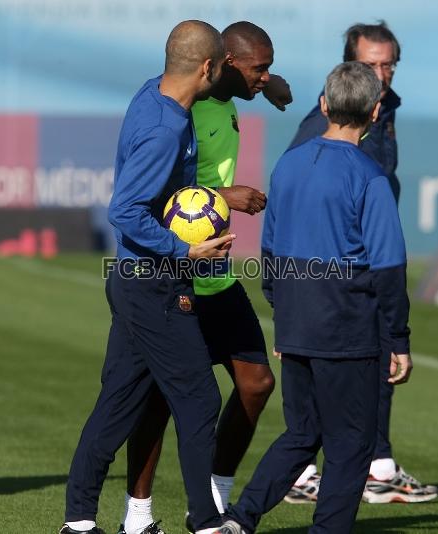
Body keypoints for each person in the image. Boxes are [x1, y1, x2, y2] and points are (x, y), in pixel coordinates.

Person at [216, 60, 412, 534]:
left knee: (303, 434)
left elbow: (271, 250)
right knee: (349, 445)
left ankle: (239, 520)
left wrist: (284, 317)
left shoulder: (289, 164)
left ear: (324, 105)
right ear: (375, 109)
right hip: (347, 326)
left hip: (299, 321)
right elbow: (387, 267)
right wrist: (398, 339)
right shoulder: (369, 177)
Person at [116, 21, 293, 534]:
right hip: (177, 276)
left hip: (216, 274)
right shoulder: (182, 110)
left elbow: (259, 80)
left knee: (256, 384)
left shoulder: (233, 87)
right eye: (259, 68)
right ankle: (138, 516)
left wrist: (271, 85)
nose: (265, 77)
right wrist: (225, 197)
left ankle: (213, 502)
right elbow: (159, 196)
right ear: (224, 67)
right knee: (160, 401)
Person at [59, 20, 235, 534]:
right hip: (153, 284)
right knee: (201, 399)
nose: (221, 72)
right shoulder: (166, 129)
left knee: (117, 403)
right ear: (207, 67)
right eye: (221, 64)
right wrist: (186, 248)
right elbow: (125, 210)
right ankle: (206, 522)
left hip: (135, 281)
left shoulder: (151, 93)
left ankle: (79, 522)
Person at [284, 21, 438, 505]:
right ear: (349, 64)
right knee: (368, 361)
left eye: (388, 63)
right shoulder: (324, 124)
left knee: (380, 362)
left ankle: (376, 464)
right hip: (341, 273)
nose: (382, 72)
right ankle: (309, 470)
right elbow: (297, 194)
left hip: (362, 261)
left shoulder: (383, 105)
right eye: (371, 63)